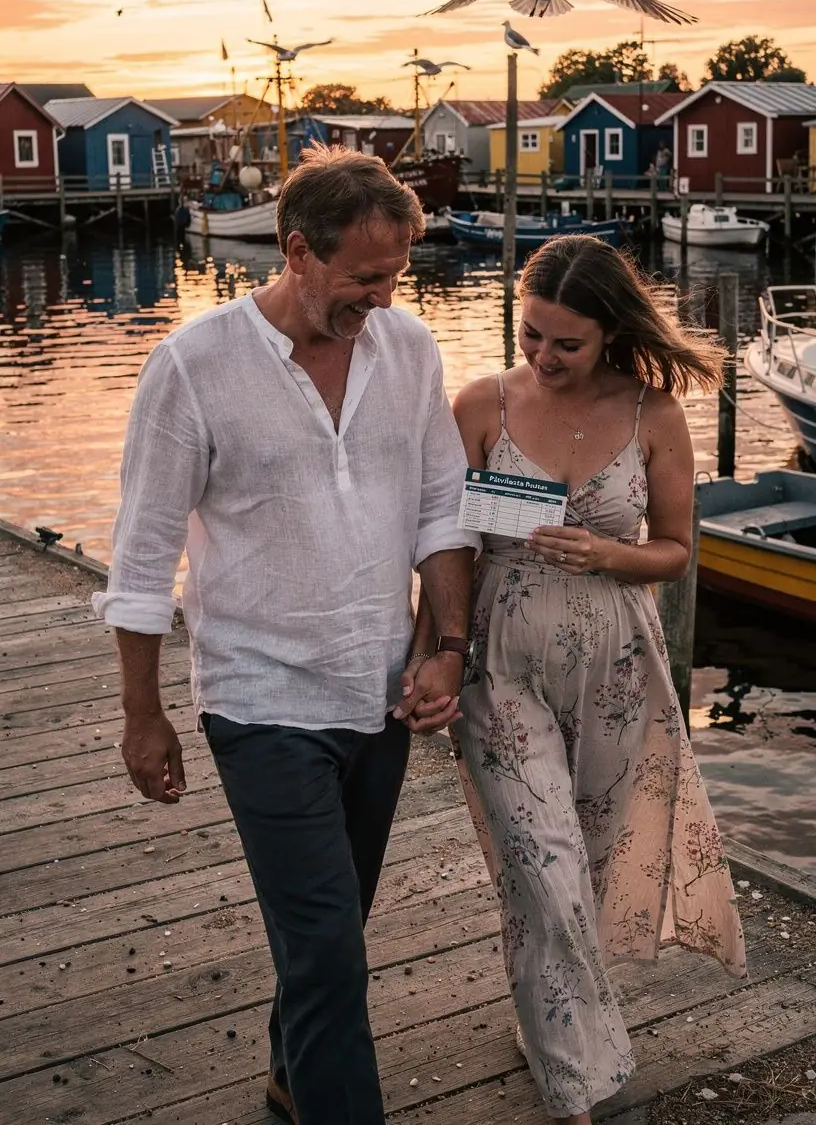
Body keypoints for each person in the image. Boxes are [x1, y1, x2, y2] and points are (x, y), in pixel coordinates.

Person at [92, 144, 478, 1125]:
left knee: (330, 932)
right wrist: (142, 714)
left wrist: (447, 649)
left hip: (378, 693)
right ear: (298, 251)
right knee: (328, 945)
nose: (383, 300)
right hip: (258, 697)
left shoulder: (409, 349)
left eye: (396, 277)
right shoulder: (193, 366)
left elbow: (442, 509)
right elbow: (142, 558)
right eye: (365, 279)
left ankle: (289, 1076)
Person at [416, 235, 746, 1123]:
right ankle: (579, 1087)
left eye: (567, 342)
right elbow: (444, 541)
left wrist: (606, 552)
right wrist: (434, 652)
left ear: (610, 334)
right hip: (501, 661)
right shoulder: (480, 405)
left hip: (618, 667)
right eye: (531, 334)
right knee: (544, 862)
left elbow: (673, 551)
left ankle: (544, 1025)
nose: (543, 355)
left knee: (586, 868)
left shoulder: (654, 414)